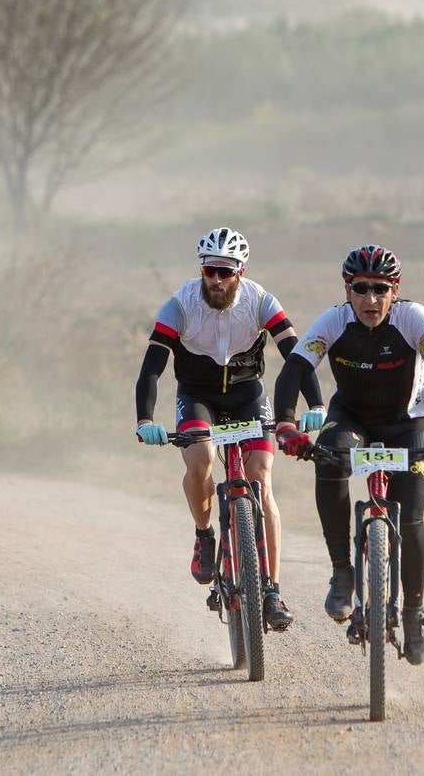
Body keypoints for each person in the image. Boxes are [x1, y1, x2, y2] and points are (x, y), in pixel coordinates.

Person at [272, 244, 424, 665]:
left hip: (406, 422)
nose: (370, 300)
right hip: (351, 418)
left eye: (380, 289)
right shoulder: (332, 321)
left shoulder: (413, 320)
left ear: (394, 290)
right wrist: (286, 424)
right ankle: (342, 573)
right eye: (360, 289)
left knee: (414, 515)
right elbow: (293, 369)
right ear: (347, 290)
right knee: (330, 461)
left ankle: (415, 613)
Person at [135, 227, 325, 630]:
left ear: (241, 271)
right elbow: (152, 367)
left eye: (225, 272)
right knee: (200, 457)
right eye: (209, 272)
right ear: (201, 270)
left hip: (246, 394)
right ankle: (204, 535)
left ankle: (271, 589)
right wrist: (146, 420)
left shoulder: (260, 301)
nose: (216, 281)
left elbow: (296, 356)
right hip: (198, 395)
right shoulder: (180, 304)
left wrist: (317, 405)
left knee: (261, 477)